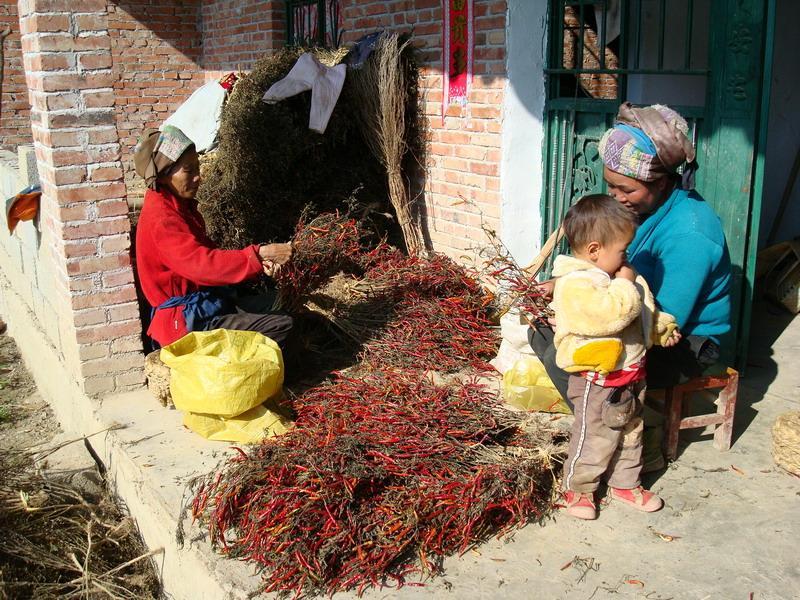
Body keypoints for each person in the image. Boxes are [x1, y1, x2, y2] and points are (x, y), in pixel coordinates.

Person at [530, 102, 732, 401]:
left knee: (562, 361)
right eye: (611, 187)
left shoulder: (690, 233)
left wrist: (588, 320)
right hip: (629, 307)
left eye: (626, 189)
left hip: (677, 339)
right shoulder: (642, 209)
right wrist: (560, 287)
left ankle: (625, 431)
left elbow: (664, 315)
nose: (616, 197)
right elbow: (610, 266)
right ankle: (601, 410)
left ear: (661, 182)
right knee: (541, 332)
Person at [553, 194, 679, 519]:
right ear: (595, 250)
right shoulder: (576, 285)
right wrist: (625, 285)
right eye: (622, 250)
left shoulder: (617, 277)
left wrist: (660, 329)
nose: (627, 258)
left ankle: (625, 483)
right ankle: (577, 489)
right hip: (598, 381)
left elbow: (642, 312)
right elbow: (612, 314)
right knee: (594, 437)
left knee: (630, 433)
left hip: (632, 375)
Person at [133, 125, 296, 351]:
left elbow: (210, 255)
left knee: (283, 302)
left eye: (197, 167)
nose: (198, 177)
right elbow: (202, 265)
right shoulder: (162, 218)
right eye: (188, 170)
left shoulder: (178, 207)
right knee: (281, 325)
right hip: (186, 322)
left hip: (203, 305)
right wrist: (258, 255)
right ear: (163, 176)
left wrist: (258, 264)